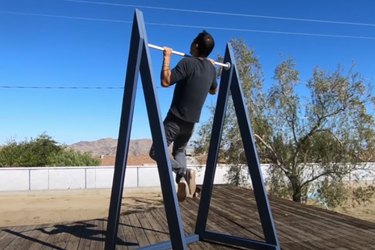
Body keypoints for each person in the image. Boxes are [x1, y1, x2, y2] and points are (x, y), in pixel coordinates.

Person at [149, 30, 217, 202]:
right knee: (179, 151)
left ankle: (183, 173)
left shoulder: (187, 63)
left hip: (175, 120)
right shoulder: (211, 68)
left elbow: (165, 81)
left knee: (156, 151)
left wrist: (166, 57)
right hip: (191, 124)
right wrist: (211, 67)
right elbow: (213, 90)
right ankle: (182, 181)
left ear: (195, 45)